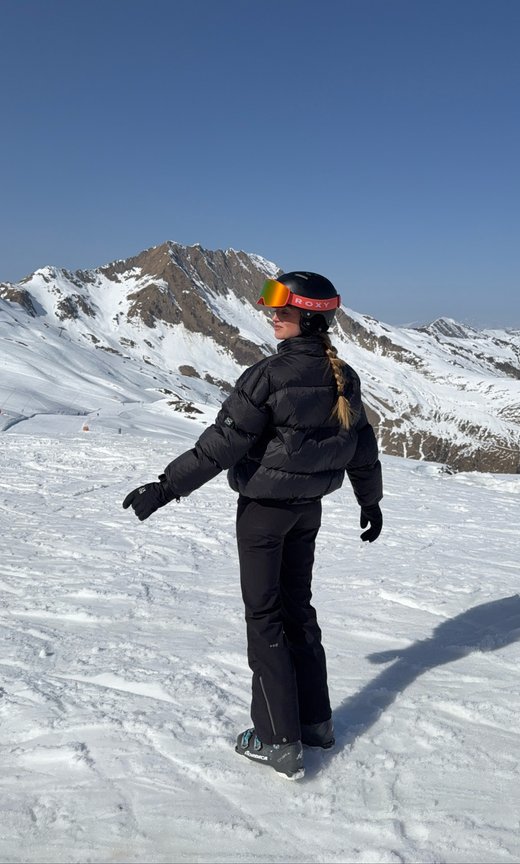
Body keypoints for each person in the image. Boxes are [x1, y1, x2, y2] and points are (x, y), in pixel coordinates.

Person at [123, 272, 383, 780]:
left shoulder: (268, 375)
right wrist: (369, 502)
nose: (271, 315)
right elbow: (362, 445)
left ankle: (276, 739)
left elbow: (222, 445)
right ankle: (316, 725)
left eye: (281, 309)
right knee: (298, 611)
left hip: (263, 514)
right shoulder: (342, 376)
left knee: (265, 620)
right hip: (309, 509)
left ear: (306, 316)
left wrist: (164, 488)